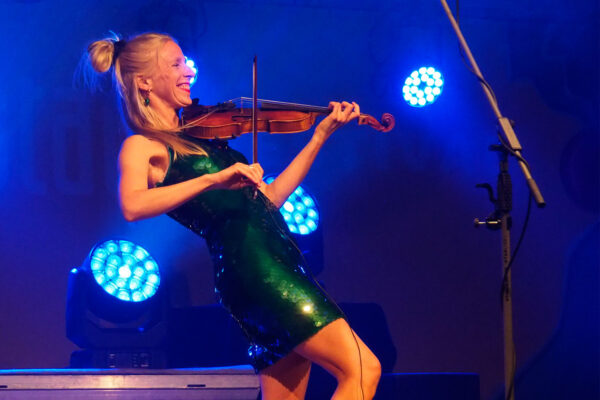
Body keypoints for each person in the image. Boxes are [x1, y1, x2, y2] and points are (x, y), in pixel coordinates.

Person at [86, 32, 381, 400]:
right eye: (175, 64)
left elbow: (268, 200)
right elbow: (132, 205)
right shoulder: (143, 146)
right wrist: (214, 178)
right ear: (144, 82)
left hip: (271, 263)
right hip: (257, 270)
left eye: (185, 63)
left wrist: (318, 137)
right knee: (363, 368)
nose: (188, 72)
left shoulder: (207, 138)